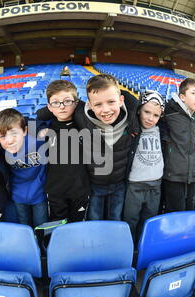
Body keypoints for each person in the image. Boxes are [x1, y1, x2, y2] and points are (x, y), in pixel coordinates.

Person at [37, 74, 141, 222]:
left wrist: (116, 91)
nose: (105, 110)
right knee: (94, 219)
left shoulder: (131, 116)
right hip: (94, 185)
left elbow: (138, 104)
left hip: (119, 183)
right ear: (90, 105)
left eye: (111, 101)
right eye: (98, 104)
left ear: (120, 100)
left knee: (115, 217)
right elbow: (44, 113)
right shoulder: (81, 115)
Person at [0, 108, 49, 228]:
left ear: (24, 131)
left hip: (39, 194)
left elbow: (53, 116)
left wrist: (41, 127)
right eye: (3, 136)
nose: (10, 140)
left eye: (14, 134)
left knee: (41, 227)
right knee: (24, 226)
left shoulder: (38, 140)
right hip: (18, 195)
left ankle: (42, 247)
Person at [43, 80, 90, 222]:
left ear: (76, 103)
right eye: (56, 102)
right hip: (55, 191)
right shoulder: (44, 128)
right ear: (49, 107)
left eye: (67, 101)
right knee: (57, 227)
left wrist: (76, 102)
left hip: (80, 190)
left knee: (78, 226)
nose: (62, 106)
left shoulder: (84, 126)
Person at [123, 90, 164, 247]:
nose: (150, 118)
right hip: (135, 184)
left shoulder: (161, 129)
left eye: (155, 115)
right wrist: (137, 105)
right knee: (130, 220)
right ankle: (130, 249)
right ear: (139, 109)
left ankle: (143, 248)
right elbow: (123, 96)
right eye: (147, 112)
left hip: (155, 184)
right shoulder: (133, 126)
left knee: (149, 220)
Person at [160, 78, 195, 213]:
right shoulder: (170, 114)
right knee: (175, 212)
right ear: (182, 97)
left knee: (190, 210)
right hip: (174, 175)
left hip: (192, 175)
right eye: (193, 93)